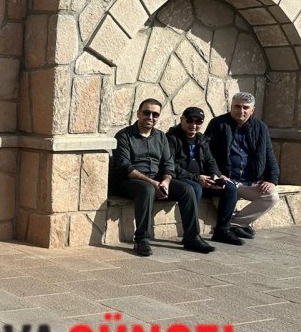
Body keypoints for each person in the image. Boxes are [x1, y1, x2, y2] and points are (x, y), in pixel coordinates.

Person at [109, 98, 214, 257]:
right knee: (147, 189)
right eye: (147, 113)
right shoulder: (124, 136)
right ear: (138, 113)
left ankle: (192, 237)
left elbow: (168, 163)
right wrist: (153, 183)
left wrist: (165, 181)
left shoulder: (161, 137)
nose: (150, 117)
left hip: (157, 180)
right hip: (130, 182)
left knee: (187, 189)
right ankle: (142, 239)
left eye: (155, 114)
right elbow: (126, 167)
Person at [205, 92, 280, 240]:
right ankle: (232, 226)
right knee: (226, 195)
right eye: (237, 106)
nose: (241, 111)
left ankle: (233, 224)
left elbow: (269, 154)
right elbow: (207, 153)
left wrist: (272, 179)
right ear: (231, 107)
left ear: (252, 110)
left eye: (246, 107)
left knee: (271, 196)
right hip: (226, 181)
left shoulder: (260, 127)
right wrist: (217, 173)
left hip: (249, 181)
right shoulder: (218, 124)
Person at [166, 107, 242, 246]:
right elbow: (171, 166)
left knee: (230, 188)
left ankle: (222, 230)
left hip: (202, 180)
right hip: (181, 180)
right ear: (182, 120)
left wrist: (216, 175)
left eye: (198, 121)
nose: (193, 125)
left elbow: (210, 161)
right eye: (190, 120)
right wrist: (197, 178)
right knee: (195, 188)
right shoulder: (171, 138)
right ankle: (191, 236)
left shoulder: (201, 139)